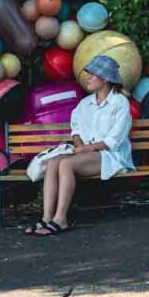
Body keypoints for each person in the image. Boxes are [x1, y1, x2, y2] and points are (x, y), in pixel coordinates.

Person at [24, 55, 134, 236]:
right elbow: (76, 130)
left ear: (105, 79)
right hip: (85, 154)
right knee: (53, 162)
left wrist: (83, 150)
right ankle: (46, 218)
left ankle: (61, 219)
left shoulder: (119, 103)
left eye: (92, 75)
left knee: (66, 164)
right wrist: (79, 146)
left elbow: (113, 141)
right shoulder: (85, 104)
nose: (88, 78)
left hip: (110, 156)